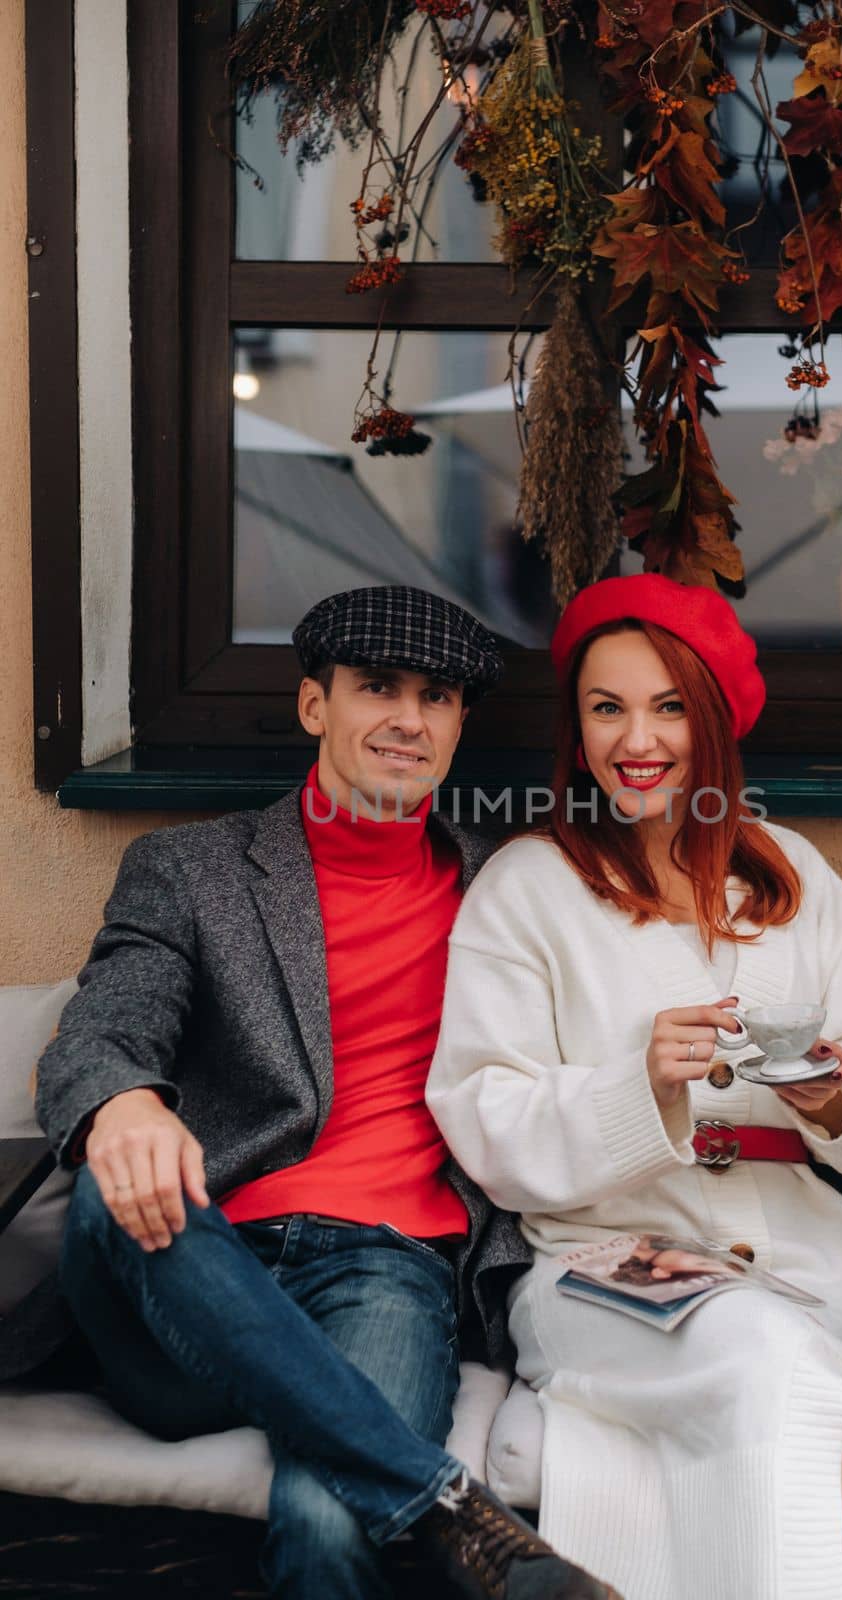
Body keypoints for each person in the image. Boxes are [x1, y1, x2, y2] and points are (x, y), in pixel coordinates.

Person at [32, 586, 620, 1600]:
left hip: (383, 1270)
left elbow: (695, 907)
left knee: (326, 1519)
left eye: (434, 696)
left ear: (457, 724)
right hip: (194, 1254)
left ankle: (390, 1485)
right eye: (376, 688)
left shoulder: (507, 880)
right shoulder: (190, 868)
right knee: (111, 1178)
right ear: (315, 705)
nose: (406, 718)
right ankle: (447, 1506)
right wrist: (121, 1101)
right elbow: (109, 1019)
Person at [426, 573, 842, 1600]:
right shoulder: (525, 887)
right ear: (574, 728)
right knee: (774, 1363)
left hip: (803, 1261)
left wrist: (826, 1095)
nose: (635, 738)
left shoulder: (793, 877)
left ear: (711, 723)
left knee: (781, 1354)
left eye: (666, 706)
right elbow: (482, 1111)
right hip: (605, 1265)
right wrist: (638, 1086)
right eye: (605, 706)